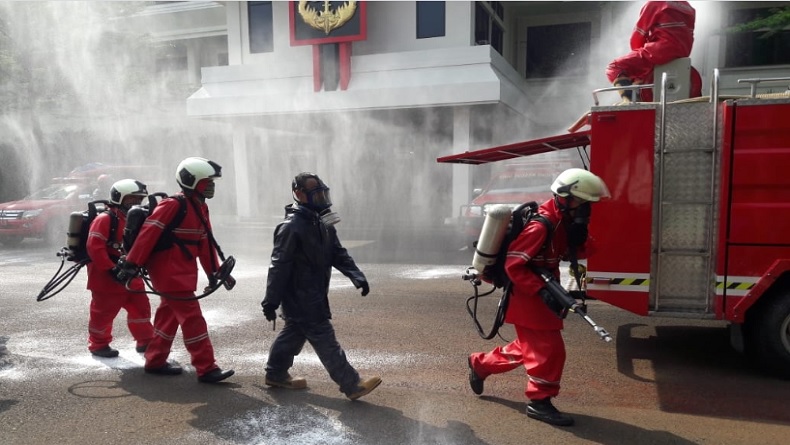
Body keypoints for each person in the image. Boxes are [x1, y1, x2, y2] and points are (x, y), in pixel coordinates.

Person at [467, 168, 610, 427]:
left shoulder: (561, 223)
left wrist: (579, 235)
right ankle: (539, 401)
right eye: (582, 204)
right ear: (564, 199)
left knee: (528, 348)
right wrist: (541, 291)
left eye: (588, 206)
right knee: (550, 351)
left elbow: (585, 251)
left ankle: (481, 364)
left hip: (541, 292)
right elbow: (514, 265)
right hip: (529, 296)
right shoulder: (540, 225)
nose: (585, 210)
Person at [261, 172, 381, 400]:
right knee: (324, 338)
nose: (322, 198)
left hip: (314, 292)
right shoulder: (291, 227)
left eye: (323, 193)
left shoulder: (323, 223)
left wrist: (356, 275)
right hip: (301, 296)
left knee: (293, 334)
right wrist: (271, 300)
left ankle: (275, 373)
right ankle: (352, 384)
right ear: (299, 194)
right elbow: (279, 266)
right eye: (316, 194)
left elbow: (337, 252)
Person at [116, 157, 234, 384]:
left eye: (212, 181)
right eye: (206, 181)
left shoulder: (200, 207)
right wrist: (131, 265)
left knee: (167, 318)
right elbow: (147, 236)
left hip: (181, 273)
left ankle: (155, 360)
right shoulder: (172, 205)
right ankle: (207, 368)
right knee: (193, 320)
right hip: (169, 274)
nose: (212, 186)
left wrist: (217, 273)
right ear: (191, 181)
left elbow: (205, 244)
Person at [86, 179, 154, 358]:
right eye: (131, 199)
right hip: (106, 278)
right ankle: (98, 344)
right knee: (103, 313)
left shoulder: (137, 219)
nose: (136, 204)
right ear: (119, 198)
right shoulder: (105, 219)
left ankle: (145, 341)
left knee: (141, 309)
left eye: (139, 200)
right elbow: (94, 247)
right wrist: (111, 269)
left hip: (131, 274)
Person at [606, 1, 702, 103]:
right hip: (683, 53)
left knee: (614, 67)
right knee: (644, 68)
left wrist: (637, 56)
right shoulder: (688, 7)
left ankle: (629, 100)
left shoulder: (655, 3)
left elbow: (638, 36)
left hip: (659, 51)